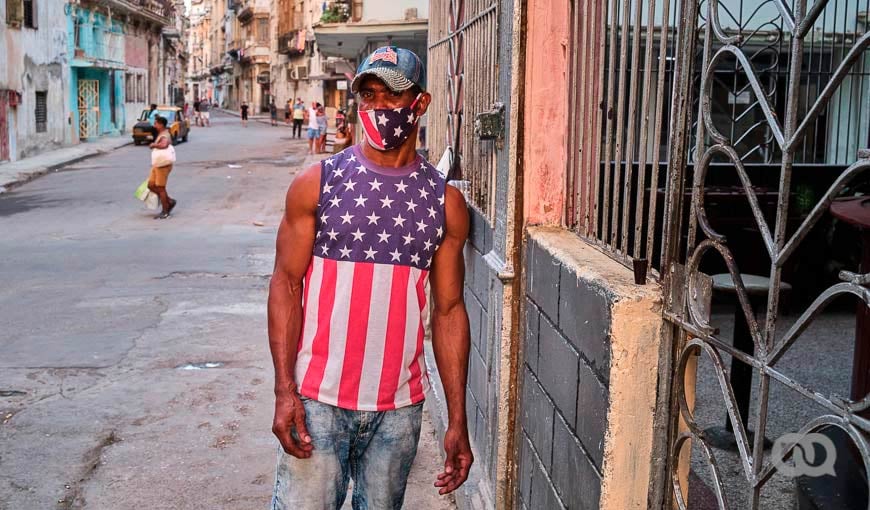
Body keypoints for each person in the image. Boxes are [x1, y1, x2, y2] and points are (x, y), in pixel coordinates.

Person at [268, 45, 472, 510]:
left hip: (398, 410)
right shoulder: (317, 184)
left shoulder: (444, 203)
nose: (378, 109)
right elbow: (286, 284)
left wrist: (457, 418)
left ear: (420, 104)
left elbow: (448, 310)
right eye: (369, 97)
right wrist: (284, 389)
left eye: (392, 96)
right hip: (317, 401)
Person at [147, 116, 177, 220]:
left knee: (160, 188)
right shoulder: (160, 133)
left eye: (156, 123)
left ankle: (165, 211)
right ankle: (169, 201)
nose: (154, 125)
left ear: (161, 124)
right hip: (157, 164)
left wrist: (154, 145)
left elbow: (164, 145)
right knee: (151, 185)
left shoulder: (165, 134)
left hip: (163, 165)